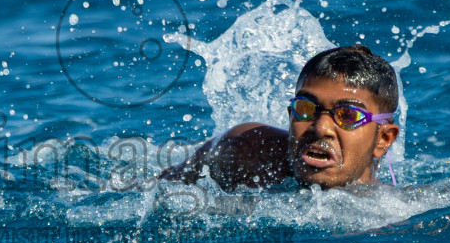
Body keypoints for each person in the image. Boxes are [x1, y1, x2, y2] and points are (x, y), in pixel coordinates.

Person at [161, 45, 401, 189]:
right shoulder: (247, 150)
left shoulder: (394, 215)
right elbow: (156, 189)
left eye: (347, 115)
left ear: (384, 139)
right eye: (306, 108)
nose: (321, 128)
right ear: (290, 115)